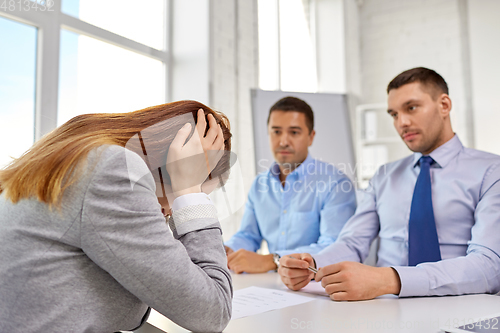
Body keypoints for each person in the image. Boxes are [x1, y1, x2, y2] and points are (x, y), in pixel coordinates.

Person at [0, 101, 233, 333]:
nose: (173, 211)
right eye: (198, 188)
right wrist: (190, 193)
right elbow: (213, 313)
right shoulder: (113, 169)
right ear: (170, 165)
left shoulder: (87, 159)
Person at [278, 67, 500, 301]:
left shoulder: (491, 172)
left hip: (462, 309)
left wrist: (389, 280)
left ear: (444, 105)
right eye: (394, 114)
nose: (402, 123)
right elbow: (353, 243)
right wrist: (313, 263)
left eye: (411, 108)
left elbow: (489, 266)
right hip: (386, 311)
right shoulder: (384, 176)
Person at [224, 96, 357, 274]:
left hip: (316, 286)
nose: (283, 141)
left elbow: (334, 247)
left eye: (294, 132)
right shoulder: (259, 184)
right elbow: (248, 235)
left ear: (311, 137)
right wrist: (228, 250)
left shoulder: (336, 184)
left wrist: (274, 260)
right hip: (271, 285)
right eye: (276, 131)